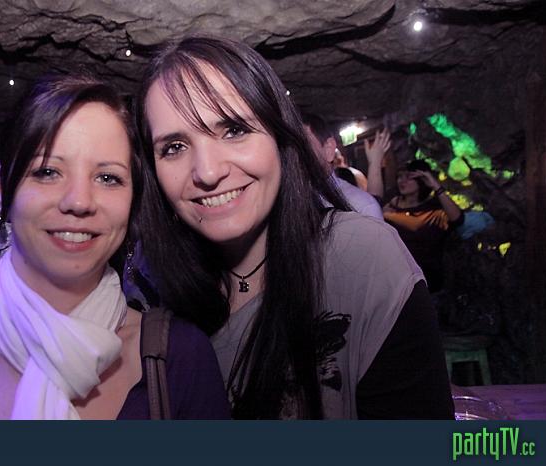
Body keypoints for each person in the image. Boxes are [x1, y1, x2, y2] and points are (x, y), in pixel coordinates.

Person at [0, 74, 229, 420]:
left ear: (133, 198)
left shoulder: (179, 361)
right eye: (47, 172)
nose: (79, 200)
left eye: (107, 177)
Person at [132, 36, 453, 419]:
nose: (208, 171)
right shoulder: (155, 291)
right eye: (174, 147)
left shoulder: (360, 257)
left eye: (233, 130)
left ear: (279, 136)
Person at [378, 159, 464, 294]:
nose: (402, 181)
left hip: (427, 278)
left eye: (408, 177)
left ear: (421, 180)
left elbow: (457, 219)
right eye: (399, 176)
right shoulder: (390, 204)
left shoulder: (433, 209)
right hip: (395, 278)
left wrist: (436, 186)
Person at [303, 114, 384, 220]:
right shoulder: (286, 200)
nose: (291, 157)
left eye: (302, 146)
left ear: (329, 149)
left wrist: (375, 164)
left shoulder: (361, 207)